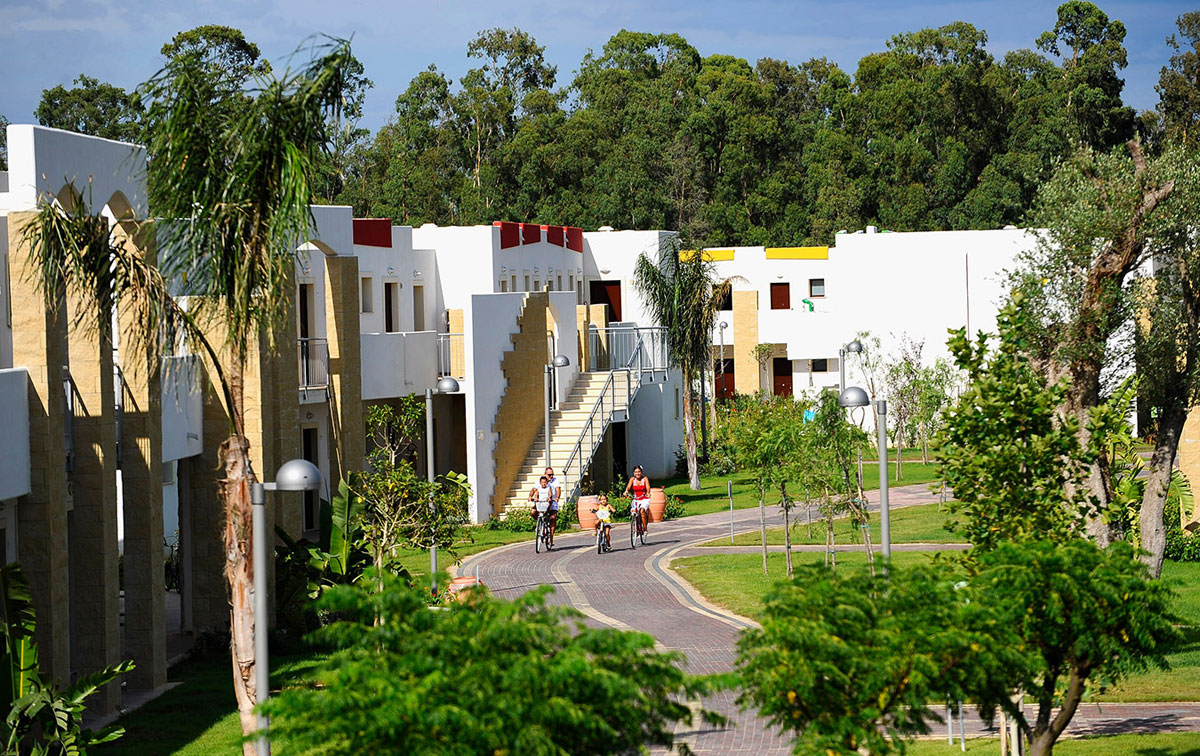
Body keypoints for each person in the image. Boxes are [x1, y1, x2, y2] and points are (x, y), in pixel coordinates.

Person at [529, 474, 557, 548]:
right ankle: (540, 524)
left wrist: (549, 498)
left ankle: (550, 537)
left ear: (546, 483)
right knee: (534, 511)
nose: (544, 484)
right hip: (540, 503)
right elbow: (536, 493)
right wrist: (535, 498)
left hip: (546, 503)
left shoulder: (548, 488)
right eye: (542, 482)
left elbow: (550, 494)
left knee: (549, 509)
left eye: (545, 482)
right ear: (540, 483)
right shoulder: (539, 488)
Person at [624, 465, 651, 537]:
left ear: (641, 472)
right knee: (633, 512)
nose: (637, 473)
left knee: (642, 511)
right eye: (636, 472)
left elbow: (648, 488)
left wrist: (648, 493)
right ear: (633, 473)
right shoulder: (632, 479)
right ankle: (635, 527)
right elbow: (628, 487)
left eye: (639, 472)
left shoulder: (645, 479)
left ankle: (645, 529)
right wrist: (626, 491)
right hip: (636, 499)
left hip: (644, 498)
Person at [544, 467, 563, 547]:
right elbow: (535, 489)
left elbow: (558, 490)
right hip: (543, 503)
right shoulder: (542, 480)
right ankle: (540, 525)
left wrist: (557, 497)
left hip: (553, 502)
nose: (551, 476)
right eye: (549, 475)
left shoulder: (555, 480)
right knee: (533, 512)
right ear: (545, 474)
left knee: (553, 518)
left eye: (552, 474)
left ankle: (551, 539)